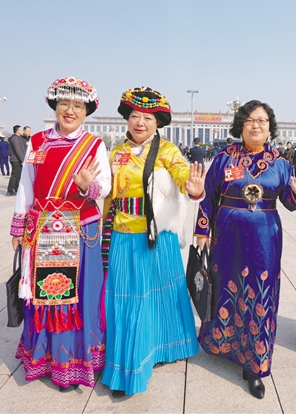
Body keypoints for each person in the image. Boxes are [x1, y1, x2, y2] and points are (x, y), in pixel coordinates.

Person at [195, 100, 296, 399]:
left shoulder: (280, 163)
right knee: (224, 288)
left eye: (262, 120)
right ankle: (223, 344)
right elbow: (209, 197)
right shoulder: (224, 158)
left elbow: (290, 202)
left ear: (270, 127)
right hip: (226, 236)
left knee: (261, 295)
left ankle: (256, 364)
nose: (256, 125)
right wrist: (202, 230)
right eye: (250, 120)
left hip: (264, 239)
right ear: (241, 125)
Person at [101, 87, 205, 397]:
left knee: (162, 293)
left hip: (157, 236)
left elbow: (183, 174)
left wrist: (193, 187)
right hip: (123, 234)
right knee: (129, 299)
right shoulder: (116, 153)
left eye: (147, 118)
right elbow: (106, 194)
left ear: (157, 123)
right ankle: (130, 365)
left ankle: (166, 345)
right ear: (127, 119)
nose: (140, 123)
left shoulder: (167, 151)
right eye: (135, 116)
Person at [10, 77, 111, 391]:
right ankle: (45, 356)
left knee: (78, 295)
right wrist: (18, 226)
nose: (70, 111)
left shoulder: (94, 144)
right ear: (55, 106)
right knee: (46, 295)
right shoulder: (37, 141)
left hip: (80, 228)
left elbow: (105, 186)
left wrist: (88, 186)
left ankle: (74, 360)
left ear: (86, 111)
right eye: (65, 104)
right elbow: (26, 183)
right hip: (43, 227)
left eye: (78, 106)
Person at [7, 125, 27, 196]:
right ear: (17, 131)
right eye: (20, 130)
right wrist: (22, 160)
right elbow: (18, 150)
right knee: (15, 175)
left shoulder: (17, 138)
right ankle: (10, 190)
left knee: (18, 175)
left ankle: (16, 189)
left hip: (16, 159)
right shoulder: (15, 138)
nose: (21, 131)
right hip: (16, 159)